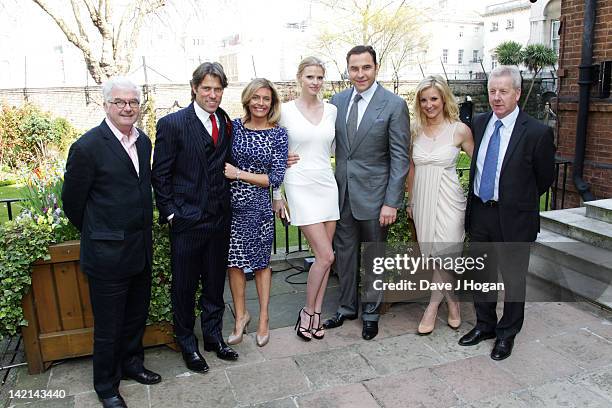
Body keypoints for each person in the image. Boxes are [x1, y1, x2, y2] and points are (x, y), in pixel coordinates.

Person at [62, 77, 161, 408]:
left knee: (135, 316)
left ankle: (132, 365)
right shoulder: (87, 148)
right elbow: (73, 205)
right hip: (107, 255)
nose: (127, 107)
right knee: (108, 326)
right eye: (119, 102)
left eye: (133, 101)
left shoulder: (143, 141)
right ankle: (105, 385)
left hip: (140, 250)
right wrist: (102, 231)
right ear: (105, 105)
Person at [458, 65, 555, 360]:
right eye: (492, 91)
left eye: (503, 91)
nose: (496, 97)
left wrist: (515, 200)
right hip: (480, 213)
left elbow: (544, 178)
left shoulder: (537, 132)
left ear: (517, 92)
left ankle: (507, 333)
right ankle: (485, 325)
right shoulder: (478, 122)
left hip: (514, 217)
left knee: (513, 279)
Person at [152, 62, 238, 373]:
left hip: (219, 220)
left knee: (215, 284)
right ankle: (187, 342)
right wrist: (172, 214)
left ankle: (213, 336)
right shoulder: (172, 124)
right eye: (207, 89)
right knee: (185, 287)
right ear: (194, 88)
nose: (212, 95)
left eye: (217, 89)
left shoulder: (225, 122)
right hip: (187, 223)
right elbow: (160, 175)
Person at [323, 45, 410, 340]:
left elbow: (399, 157)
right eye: (354, 68)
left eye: (366, 68)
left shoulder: (394, 105)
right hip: (342, 194)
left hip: (376, 198)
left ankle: (370, 313)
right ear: (348, 70)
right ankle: (347, 307)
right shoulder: (336, 101)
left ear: (376, 67)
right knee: (344, 254)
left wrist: (391, 201)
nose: (360, 74)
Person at [272, 57, 339, 341]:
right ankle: (307, 312)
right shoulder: (284, 111)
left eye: (320, 77)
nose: (315, 82)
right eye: (310, 76)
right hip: (299, 183)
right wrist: (277, 193)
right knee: (326, 255)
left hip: (326, 184)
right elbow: (275, 152)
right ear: (300, 78)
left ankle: (317, 314)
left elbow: (334, 147)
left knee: (325, 260)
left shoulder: (333, 110)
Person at [405, 75, 474, 335]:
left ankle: (431, 309)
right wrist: (410, 201)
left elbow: (480, 166)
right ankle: (453, 304)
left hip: (450, 199)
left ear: (444, 99)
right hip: (422, 199)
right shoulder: (414, 130)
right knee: (434, 256)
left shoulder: (459, 130)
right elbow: (411, 168)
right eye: (424, 100)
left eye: (434, 98)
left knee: (446, 255)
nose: (429, 104)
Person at [224, 78, 288, 348]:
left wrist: (239, 174)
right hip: (231, 206)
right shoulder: (233, 128)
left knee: (261, 264)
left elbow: (275, 177)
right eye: (256, 98)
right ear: (247, 99)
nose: (261, 103)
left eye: (266, 99)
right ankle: (241, 316)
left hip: (259, 207)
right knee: (234, 263)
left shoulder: (278, 134)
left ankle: (263, 318)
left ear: (272, 102)